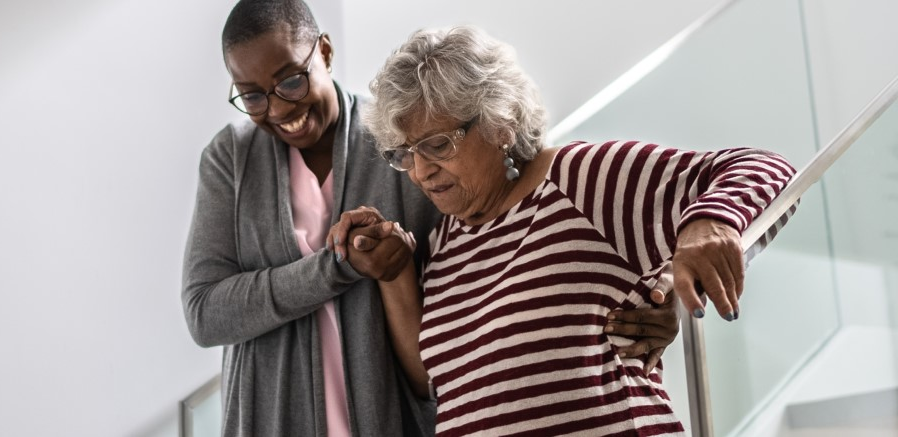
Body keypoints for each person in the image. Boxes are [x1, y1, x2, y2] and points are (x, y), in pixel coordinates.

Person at [182, 2, 682, 436]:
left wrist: (655, 292)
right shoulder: (231, 160)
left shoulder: (401, 140)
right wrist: (339, 267)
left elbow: (497, 240)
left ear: (325, 53)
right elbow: (206, 312)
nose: (277, 108)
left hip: (399, 418)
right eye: (251, 95)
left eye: (290, 80)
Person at [327, 25, 797, 436]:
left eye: (437, 144)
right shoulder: (444, 244)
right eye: (405, 154)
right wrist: (395, 274)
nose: (421, 171)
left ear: (501, 121)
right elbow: (439, 383)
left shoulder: (581, 180)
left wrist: (706, 224)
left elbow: (764, 169)